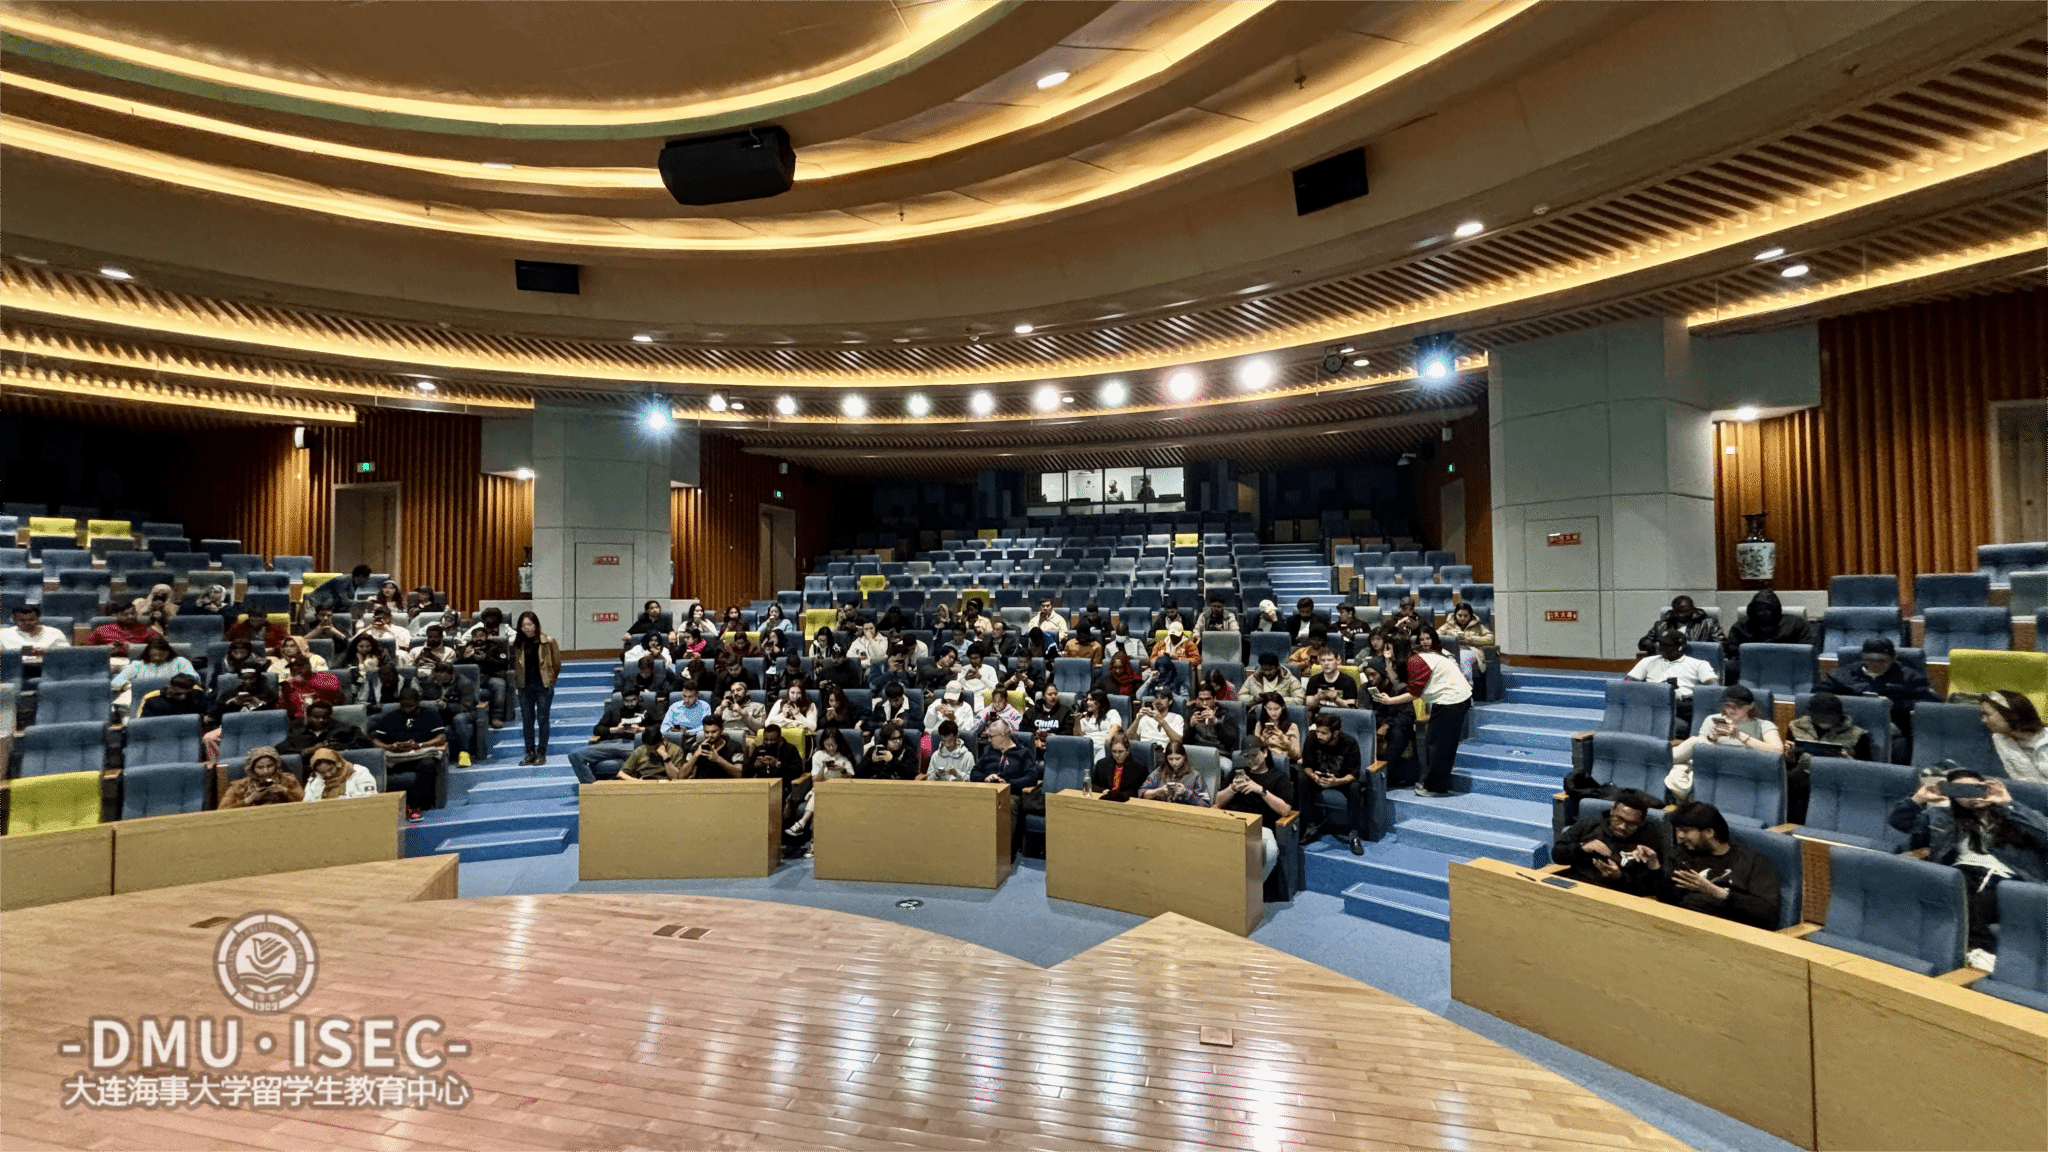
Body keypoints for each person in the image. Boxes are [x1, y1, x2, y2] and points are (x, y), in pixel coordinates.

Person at [1890, 768, 2048, 971]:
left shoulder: (2012, 815)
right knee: (1957, 882)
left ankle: (1979, 949)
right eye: (1962, 791)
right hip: (1960, 875)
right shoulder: (1940, 817)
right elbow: (1899, 821)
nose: (1971, 795)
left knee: (1966, 890)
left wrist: (2009, 803)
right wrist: (1918, 799)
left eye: (1975, 788)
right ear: (1953, 796)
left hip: (2008, 880)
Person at [1374, 631, 1473, 798]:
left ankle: (1436, 788)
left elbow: (1414, 693)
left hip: (1453, 699)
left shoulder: (1416, 661)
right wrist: (1388, 660)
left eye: (1389, 649)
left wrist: (1390, 701)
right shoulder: (1410, 660)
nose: (1387, 652)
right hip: (1445, 699)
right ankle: (1432, 783)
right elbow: (1397, 683)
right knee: (1433, 742)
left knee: (1440, 746)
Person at [1661, 802, 1781, 929]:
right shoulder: (1683, 855)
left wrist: (1719, 893)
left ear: (1709, 832)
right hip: (1684, 925)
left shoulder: (1752, 861)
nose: (1679, 837)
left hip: (1729, 930)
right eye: (1678, 830)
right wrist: (1655, 867)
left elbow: (1769, 914)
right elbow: (1667, 898)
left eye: (1685, 831)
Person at [1669, 684, 1783, 800]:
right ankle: (1665, 760)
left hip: (1742, 766)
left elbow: (1778, 750)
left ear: (1750, 706)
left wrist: (1740, 735)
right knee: (1693, 747)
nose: (1732, 710)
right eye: (1728, 705)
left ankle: (1665, 758)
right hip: (1712, 765)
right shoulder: (1712, 720)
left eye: (1738, 706)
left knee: (1695, 742)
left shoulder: (1763, 725)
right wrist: (1712, 738)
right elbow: (1700, 751)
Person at [1552, 788, 1667, 895]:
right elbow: (1557, 855)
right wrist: (1582, 848)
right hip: (1578, 887)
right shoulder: (1588, 826)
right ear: (1612, 811)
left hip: (1617, 896)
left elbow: (1649, 888)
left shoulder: (1648, 843)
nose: (1622, 827)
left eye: (1631, 824)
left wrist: (1619, 877)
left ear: (1641, 822)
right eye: (1618, 819)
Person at [1782, 691, 1870, 820]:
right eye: (1821, 719)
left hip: (1839, 775)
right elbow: (1790, 764)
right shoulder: (1796, 727)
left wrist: (1847, 758)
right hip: (1804, 772)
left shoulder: (1858, 734)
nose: (1825, 723)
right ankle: (1793, 823)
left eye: (1830, 719)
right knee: (1792, 779)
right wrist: (1790, 754)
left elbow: (1866, 768)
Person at [1213, 745, 1295, 879]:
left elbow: (1285, 810)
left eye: (1254, 755)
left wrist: (1260, 790)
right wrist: (1232, 789)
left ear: (1265, 753)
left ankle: (1253, 886)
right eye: (1247, 757)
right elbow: (1218, 802)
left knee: (1270, 851)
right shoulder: (1237, 773)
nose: (1250, 760)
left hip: (1260, 826)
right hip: (1233, 822)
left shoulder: (1279, 777)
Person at [1626, 629, 1721, 737]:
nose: (1662, 649)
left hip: (1681, 704)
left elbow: (1714, 686)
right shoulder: (1648, 661)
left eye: (1667, 646)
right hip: (1652, 701)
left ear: (1680, 647)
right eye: (1661, 645)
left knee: (1687, 707)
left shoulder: (1698, 664)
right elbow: (1628, 682)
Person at [371, 686, 446, 820]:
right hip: (396, 757)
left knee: (428, 765)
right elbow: (375, 741)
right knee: (376, 765)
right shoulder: (389, 717)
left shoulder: (430, 715)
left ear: (417, 702)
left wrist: (421, 745)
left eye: (410, 705)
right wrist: (389, 747)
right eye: (403, 705)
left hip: (419, 754)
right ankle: (384, 807)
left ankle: (416, 806)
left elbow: (441, 738)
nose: (407, 709)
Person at [1301, 712, 1366, 854]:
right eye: (1317, 731)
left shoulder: (1350, 743)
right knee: (1302, 778)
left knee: (1355, 787)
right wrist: (1313, 776)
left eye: (1323, 733)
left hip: (1340, 780)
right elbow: (1306, 766)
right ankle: (1310, 825)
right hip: (1318, 777)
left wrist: (1336, 782)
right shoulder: (1312, 738)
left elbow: (1353, 774)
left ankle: (1354, 834)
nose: (1319, 735)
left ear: (1335, 733)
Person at [785, 727, 858, 847]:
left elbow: (851, 779)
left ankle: (803, 824)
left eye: (833, 745)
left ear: (838, 743)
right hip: (822, 789)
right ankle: (811, 838)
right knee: (819, 794)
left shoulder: (844, 757)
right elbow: (815, 781)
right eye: (827, 744)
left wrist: (842, 770)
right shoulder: (818, 755)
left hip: (840, 790)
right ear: (823, 743)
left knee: (819, 795)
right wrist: (823, 768)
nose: (830, 748)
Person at [1721, 590, 1810, 684]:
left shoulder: (1794, 624)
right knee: (1730, 666)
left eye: (1767, 608)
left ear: (1775, 609)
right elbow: (1732, 651)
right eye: (1758, 608)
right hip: (1751, 667)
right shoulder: (1741, 626)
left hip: (1786, 667)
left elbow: (1806, 650)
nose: (1762, 612)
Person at [510, 610, 559, 766]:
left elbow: (556, 664)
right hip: (525, 685)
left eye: (530, 624)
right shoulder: (517, 643)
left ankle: (541, 752)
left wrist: (550, 680)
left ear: (536, 625)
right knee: (527, 719)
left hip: (543, 684)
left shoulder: (548, 641)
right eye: (523, 625)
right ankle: (529, 752)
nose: (527, 628)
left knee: (543, 719)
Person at [110, 637, 196, 715]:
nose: (157, 658)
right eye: (154, 655)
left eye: (161, 655)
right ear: (148, 653)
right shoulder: (137, 665)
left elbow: (193, 678)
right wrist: (129, 685)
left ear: (169, 652)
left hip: (173, 697)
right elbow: (116, 682)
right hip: (141, 697)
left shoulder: (180, 661)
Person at [1981, 690, 2048, 785]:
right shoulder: (2000, 741)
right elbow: (2019, 780)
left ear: (2009, 714)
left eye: (1988, 714)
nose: (1983, 720)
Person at [969, 721, 1040, 810]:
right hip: (987, 791)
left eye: (991, 736)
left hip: (1010, 794)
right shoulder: (988, 750)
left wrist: (1007, 784)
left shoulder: (1023, 752)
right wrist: (986, 777)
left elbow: (1032, 777)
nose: (989, 740)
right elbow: (974, 773)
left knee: (1005, 805)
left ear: (1002, 736)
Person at [218, 746, 304, 808]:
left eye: (270, 766)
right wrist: (250, 799)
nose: (266, 771)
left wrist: (285, 791)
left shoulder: (288, 779)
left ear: (276, 765)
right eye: (260, 767)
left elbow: (305, 802)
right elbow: (222, 811)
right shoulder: (239, 786)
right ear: (252, 769)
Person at [1636, 594, 1723, 655]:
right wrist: (1656, 645)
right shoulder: (1662, 625)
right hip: (1668, 661)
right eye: (1679, 611)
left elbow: (1721, 645)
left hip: (1698, 660)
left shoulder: (1708, 624)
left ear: (1693, 610)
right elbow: (1644, 643)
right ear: (1673, 610)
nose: (1682, 615)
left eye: (1686, 611)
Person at [281, 699, 370, 756]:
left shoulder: (344, 729)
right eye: (316, 717)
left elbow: (364, 744)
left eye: (325, 717)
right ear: (307, 717)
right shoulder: (297, 731)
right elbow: (282, 751)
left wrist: (341, 748)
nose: (321, 720)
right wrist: (308, 751)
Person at [0, 602, 69, 670]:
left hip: (49, 668)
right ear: (14, 620)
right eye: (22, 620)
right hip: (13, 669)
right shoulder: (3, 634)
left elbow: (66, 654)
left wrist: (45, 653)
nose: (27, 623)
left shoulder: (55, 633)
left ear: (38, 619)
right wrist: (19, 653)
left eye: (31, 620)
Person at [1140, 742, 1210, 807]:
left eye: (1178, 759)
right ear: (1166, 758)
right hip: (1161, 809)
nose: (1174, 763)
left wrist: (1186, 793)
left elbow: (1205, 803)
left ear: (1184, 757)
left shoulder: (1195, 775)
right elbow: (1142, 793)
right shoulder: (1159, 771)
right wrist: (1158, 791)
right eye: (1170, 759)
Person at [678, 714, 745, 779]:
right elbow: (681, 776)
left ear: (721, 730)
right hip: (702, 784)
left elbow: (739, 774)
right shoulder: (696, 747)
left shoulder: (735, 746)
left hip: (726, 784)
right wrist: (695, 755)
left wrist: (718, 759)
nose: (710, 735)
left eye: (714, 732)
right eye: (707, 732)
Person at [280, 654, 343, 721]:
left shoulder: (325, 676)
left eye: (299, 667)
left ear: (309, 666)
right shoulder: (289, 686)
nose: (296, 670)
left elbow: (334, 687)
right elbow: (284, 709)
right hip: (300, 720)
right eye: (292, 669)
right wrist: (286, 696)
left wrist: (306, 681)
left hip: (325, 716)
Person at [89, 602, 161, 662]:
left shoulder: (146, 630)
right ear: (116, 615)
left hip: (136, 661)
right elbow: (88, 650)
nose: (130, 616)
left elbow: (161, 646)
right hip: (108, 662)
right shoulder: (102, 630)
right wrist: (106, 648)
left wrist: (133, 648)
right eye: (125, 614)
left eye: (133, 613)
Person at [302, 746, 378, 802]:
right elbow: (307, 802)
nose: (328, 774)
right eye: (322, 772)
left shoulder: (358, 772)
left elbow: (370, 796)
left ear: (338, 763)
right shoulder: (315, 779)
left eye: (330, 769)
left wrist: (344, 799)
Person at [1438, 603, 1495, 677]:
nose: (1462, 618)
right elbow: (1436, 636)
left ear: (1470, 616)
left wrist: (1470, 640)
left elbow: (1491, 638)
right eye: (1459, 615)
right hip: (1452, 650)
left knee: (1463, 656)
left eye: (1465, 616)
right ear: (1455, 615)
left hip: (1470, 650)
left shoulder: (1478, 626)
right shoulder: (1448, 625)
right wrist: (1452, 639)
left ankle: (1467, 682)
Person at [618, 725, 693, 781]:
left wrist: (665, 757)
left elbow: (676, 778)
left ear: (663, 740)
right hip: (643, 782)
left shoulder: (676, 750)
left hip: (665, 784)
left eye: (656, 748)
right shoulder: (640, 750)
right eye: (649, 749)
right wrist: (637, 782)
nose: (653, 751)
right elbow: (621, 774)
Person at [1247, 692, 1302, 760]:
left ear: (1283, 707)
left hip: (1283, 761)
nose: (1273, 713)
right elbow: (1255, 752)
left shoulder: (1292, 726)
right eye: (1269, 709)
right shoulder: (1260, 725)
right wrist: (1263, 739)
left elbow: (1296, 755)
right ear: (1265, 708)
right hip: (1264, 760)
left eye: (1276, 709)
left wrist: (1283, 738)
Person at [1091, 733, 1146, 802]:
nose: (1117, 755)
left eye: (1120, 752)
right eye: (1114, 751)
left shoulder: (1139, 767)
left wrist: (1119, 795)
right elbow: (1092, 785)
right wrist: (1102, 790)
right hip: (1105, 800)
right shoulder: (1101, 764)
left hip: (1127, 802)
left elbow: (1139, 791)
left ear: (1127, 751)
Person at [1182, 692, 1239, 757]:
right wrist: (1190, 726)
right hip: (1198, 753)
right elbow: (1185, 743)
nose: (1204, 703)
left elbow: (1230, 741)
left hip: (1220, 754)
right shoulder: (1192, 715)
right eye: (1201, 699)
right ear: (1197, 700)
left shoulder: (1226, 715)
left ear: (1214, 699)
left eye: (1207, 699)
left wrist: (1216, 721)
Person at [138, 672, 206, 720]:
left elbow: (205, 716)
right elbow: (143, 722)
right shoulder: (152, 700)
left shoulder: (197, 696)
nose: (182, 697)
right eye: (178, 694)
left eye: (185, 694)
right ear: (170, 688)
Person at [1074, 689, 1123, 754]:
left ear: (1100, 701)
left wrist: (1108, 740)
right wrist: (1077, 721)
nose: (1088, 702)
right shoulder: (1084, 716)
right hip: (1087, 748)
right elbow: (1079, 737)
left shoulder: (1111, 713)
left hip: (1104, 747)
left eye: (1091, 700)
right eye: (1087, 700)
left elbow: (1116, 727)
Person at [308, 565, 373, 612]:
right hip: (313, 604)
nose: (366, 581)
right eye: (366, 578)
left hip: (326, 606)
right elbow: (345, 602)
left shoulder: (354, 583)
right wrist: (364, 602)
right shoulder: (344, 580)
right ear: (361, 576)